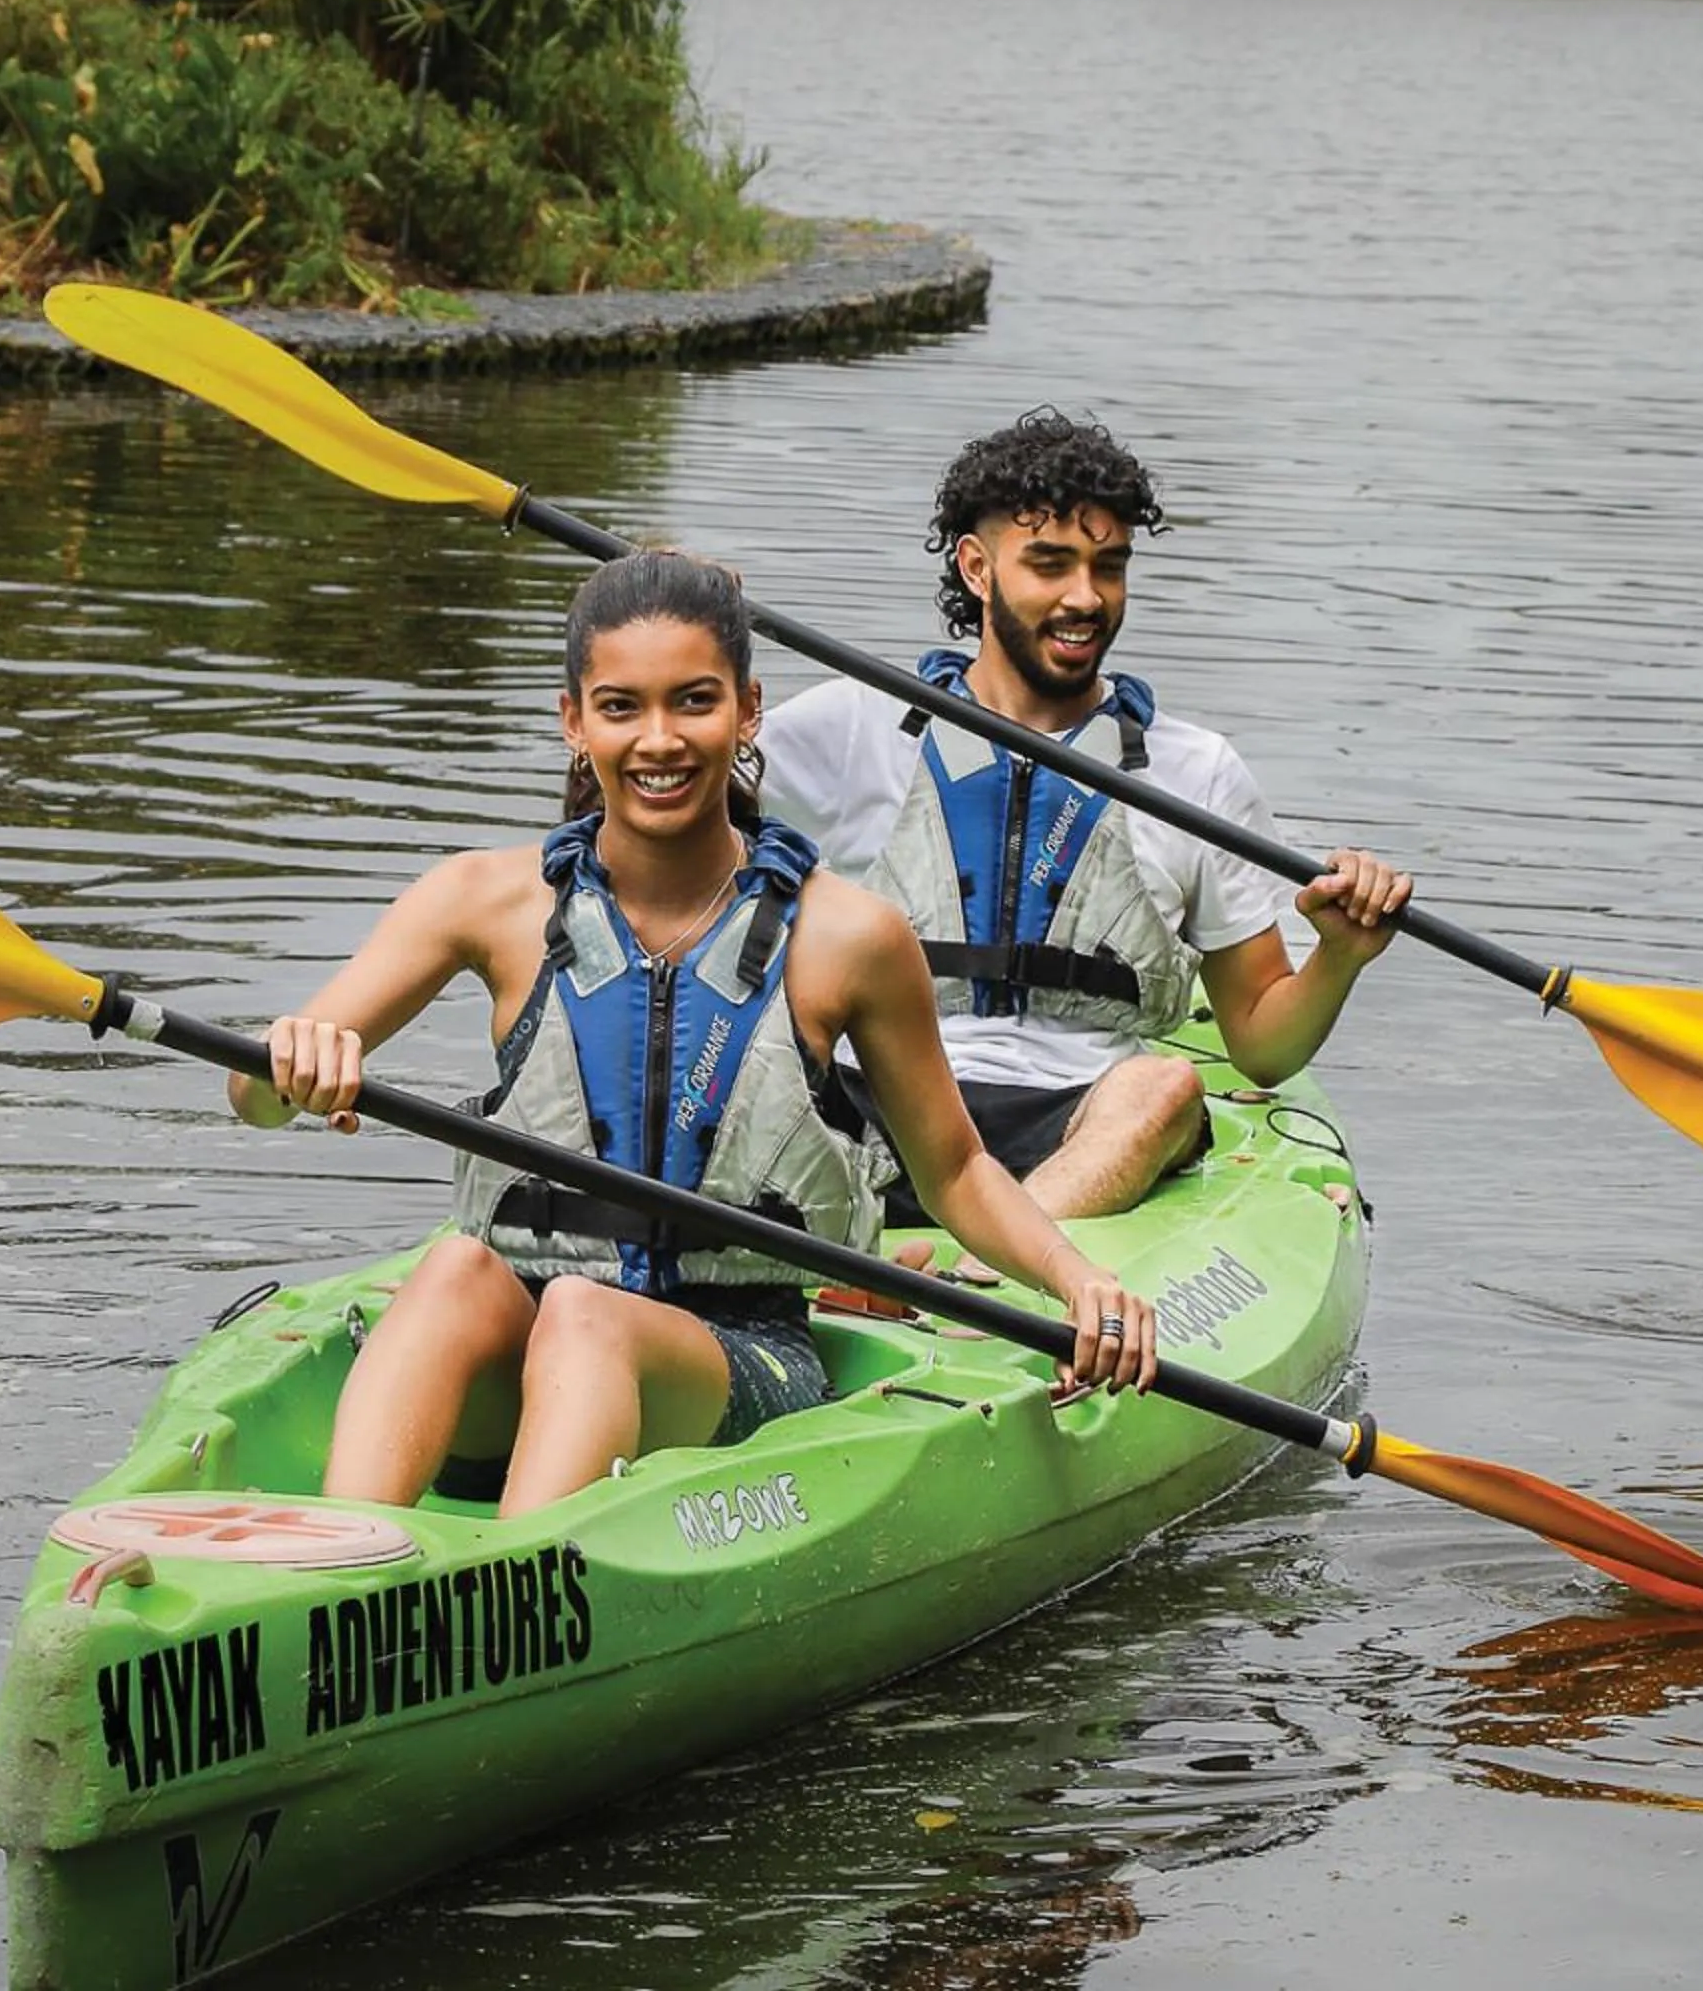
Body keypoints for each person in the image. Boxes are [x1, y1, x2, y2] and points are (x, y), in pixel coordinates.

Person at [232, 548, 1159, 1518]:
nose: (659, 740)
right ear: (574, 723)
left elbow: (956, 1173)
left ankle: (525, 1592)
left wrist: (1079, 1280)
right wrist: (291, 1060)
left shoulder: (848, 937)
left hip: (739, 1364)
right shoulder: (480, 900)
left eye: (695, 702)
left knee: (590, 1317)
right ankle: (337, 1554)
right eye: (622, 706)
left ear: (749, 711)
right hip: (521, 1349)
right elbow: (252, 1096)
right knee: (460, 1264)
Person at [757, 410, 1411, 1265]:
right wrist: (684, 619)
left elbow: (1258, 1047)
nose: (1086, 598)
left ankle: (972, 1273)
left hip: (1075, 1113)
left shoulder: (1196, 771)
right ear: (977, 567)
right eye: (1051, 564)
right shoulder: (851, 727)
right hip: (875, 1090)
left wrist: (1338, 957)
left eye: (1109, 566)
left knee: (1166, 1087)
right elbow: (652, 798)